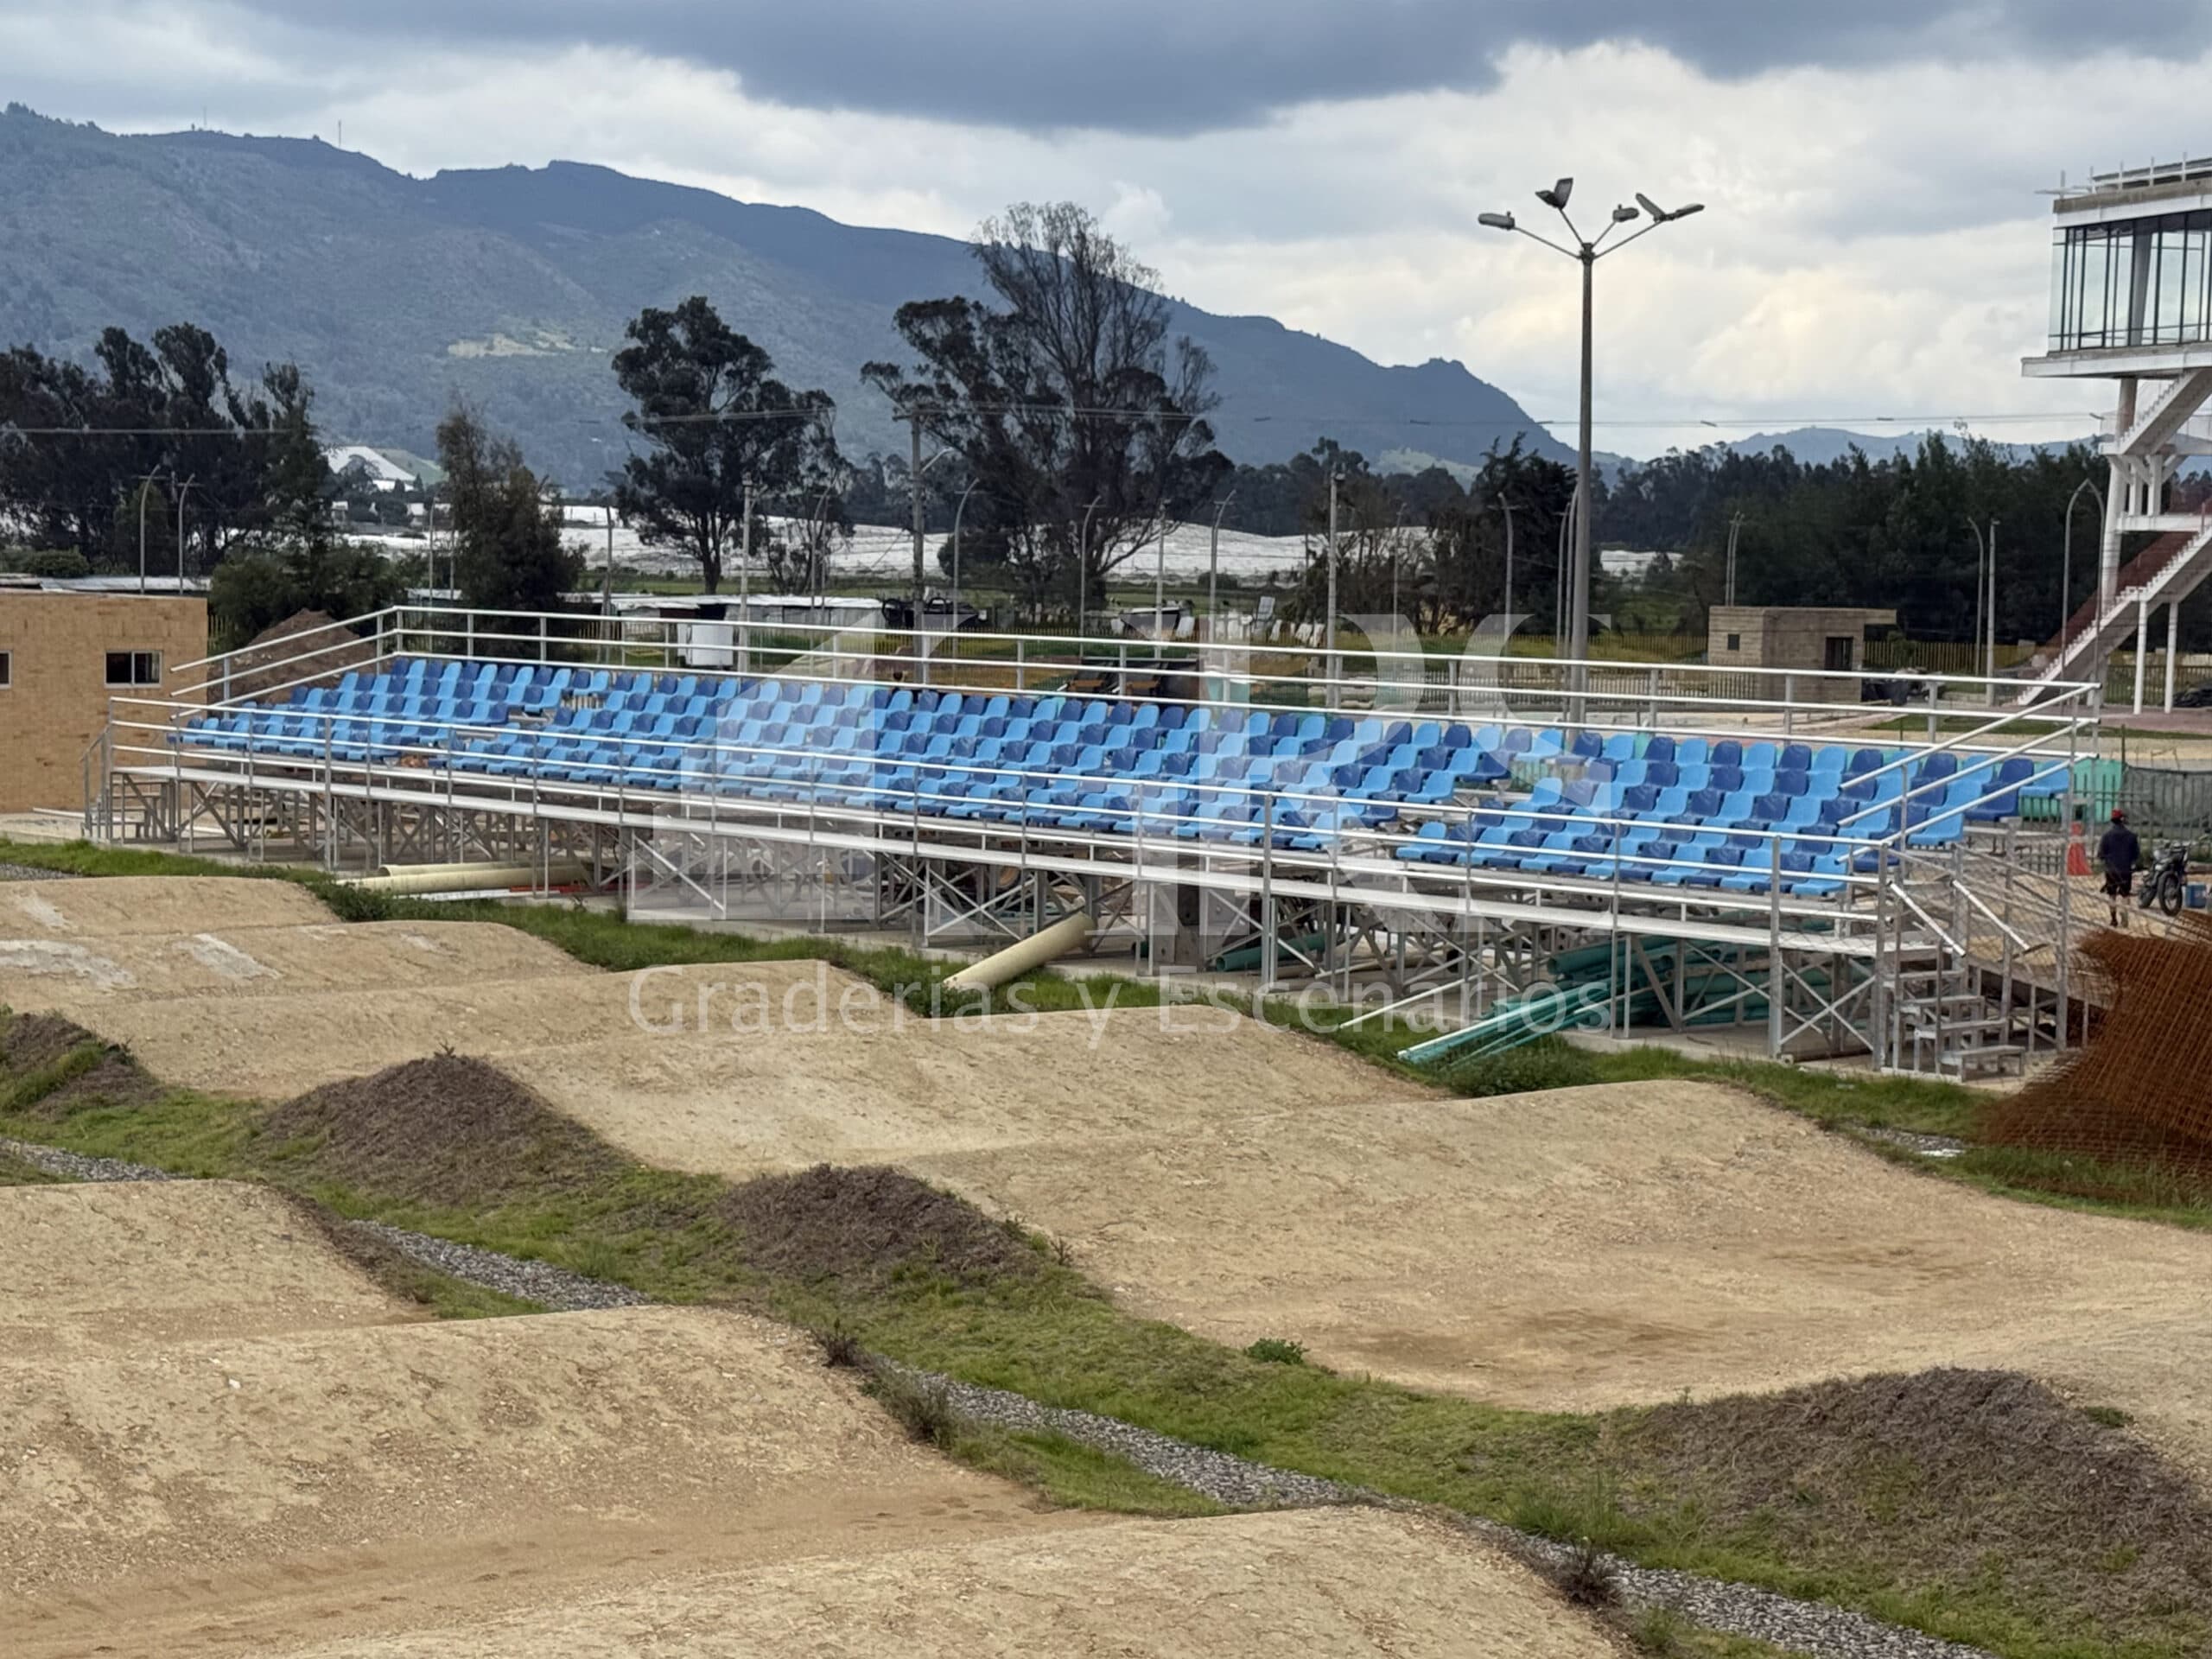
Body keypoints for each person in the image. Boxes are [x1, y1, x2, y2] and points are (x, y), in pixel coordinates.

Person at [2098, 808, 2140, 927]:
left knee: (2112, 895)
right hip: (2125, 870)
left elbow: (2101, 855)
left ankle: (2113, 919)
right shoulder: (2131, 836)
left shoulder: (2106, 836)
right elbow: (2136, 855)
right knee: (2125, 894)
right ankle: (2124, 913)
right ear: (2123, 820)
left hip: (2111, 870)